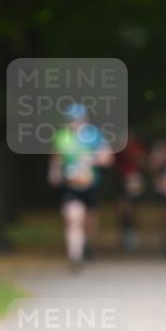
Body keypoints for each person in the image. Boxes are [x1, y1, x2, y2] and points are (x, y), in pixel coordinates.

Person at [48, 103, 113, 269]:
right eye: (71, 119)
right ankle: (74, 255)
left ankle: (88, 245)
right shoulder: (62, 136)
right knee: (73, 218)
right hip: (70, 186)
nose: (74, 123)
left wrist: (91, 160)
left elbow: (108, 158)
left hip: (90, 185)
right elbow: (56, 156)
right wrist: (54, 172)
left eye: (77, 119)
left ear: (84, 119)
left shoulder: (94, 135)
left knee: (90, 220)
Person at [114, 130, 147, 251]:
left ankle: (133, 234)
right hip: (121, 181)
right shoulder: (118, 149)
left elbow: (142, 161)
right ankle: (124, 235)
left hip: (134, 180)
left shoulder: (136, 147)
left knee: (132, 208)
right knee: (122, 210)